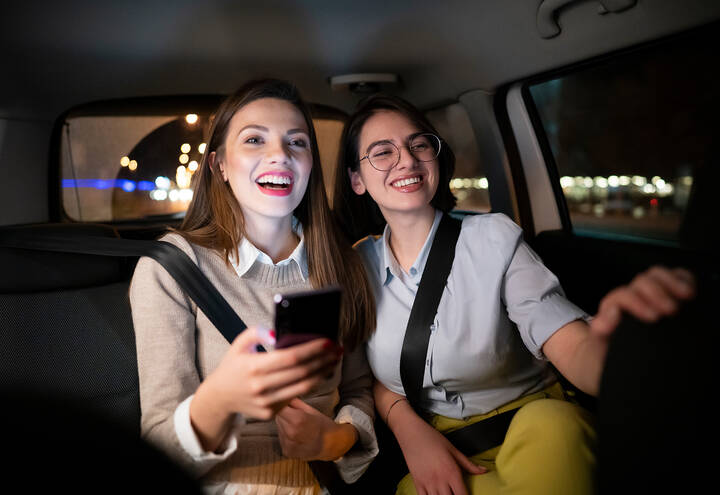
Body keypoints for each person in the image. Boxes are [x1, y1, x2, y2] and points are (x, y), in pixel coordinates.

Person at [332, 93, 696, 495]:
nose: (407, 159)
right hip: (440, 453)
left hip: (537, 429)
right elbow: (366, 377)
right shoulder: (354, 269)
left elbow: (568, 342)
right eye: (382, 152)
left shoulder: (493, 239)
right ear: (357, 181)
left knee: (554, 433)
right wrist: (409, 431)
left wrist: (624, 348)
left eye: (419, 144)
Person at [130, 79, 378, 494]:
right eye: (254, 140)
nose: (279, 155)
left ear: (310, 164)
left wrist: (332, 440)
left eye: (296, 143)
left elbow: (356, 391)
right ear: (219, 166)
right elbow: (157, 451)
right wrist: (221, 402)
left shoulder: (343, 263)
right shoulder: (172, 268)